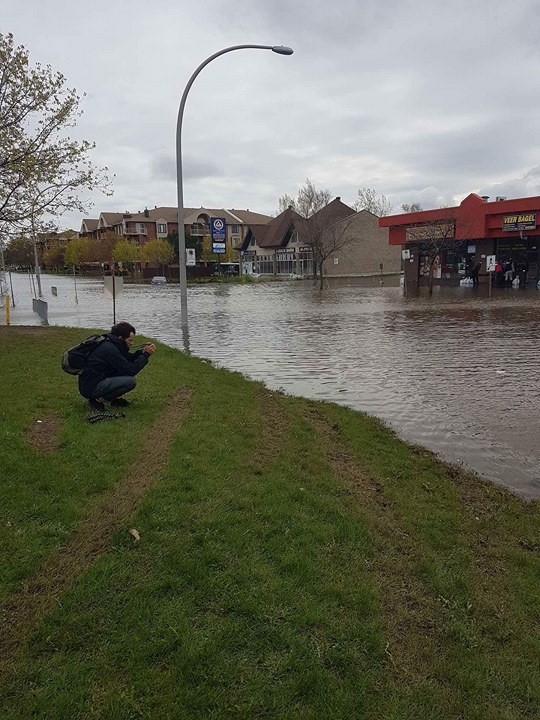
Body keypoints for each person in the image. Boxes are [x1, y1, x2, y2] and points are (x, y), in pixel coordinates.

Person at [78, 321, 156, 411]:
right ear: (121, 338)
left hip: (92, 381)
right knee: (130, 381)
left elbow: (127, 359)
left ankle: (116, 400)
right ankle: (97, 401)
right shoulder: (110, 349)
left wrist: (142, 352)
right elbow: (131, 370)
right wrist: (145, 355)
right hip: (91, 387)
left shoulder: (111, 343)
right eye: (130, 340)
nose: (132, 343)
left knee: (121, 371)